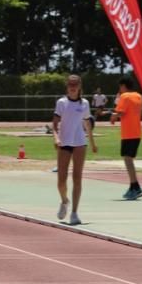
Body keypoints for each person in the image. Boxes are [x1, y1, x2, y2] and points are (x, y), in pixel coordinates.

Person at [52, 74, 97, 225]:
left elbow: (87, 124)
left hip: (79, 143)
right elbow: (55, 124)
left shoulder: (84, 103)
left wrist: (92, 142)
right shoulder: (61, 102)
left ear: (79, 87)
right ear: (67, 86)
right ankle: (65, 201)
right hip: (64, 142)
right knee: (61, 181)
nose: (72, 87)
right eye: (70, 85)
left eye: (75, 85)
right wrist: (56, 138)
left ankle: (75, 213)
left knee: (77, 177)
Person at [110, 77, 142, 200]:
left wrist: (113, 117)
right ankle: (133, 186)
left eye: (120, 87)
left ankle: (135, 186)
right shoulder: (138, 96)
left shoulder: (124, 96)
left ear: (123, 86)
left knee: (128, 160)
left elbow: (120, 112)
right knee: (129, 159)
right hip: (137, 132)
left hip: (128, 133)